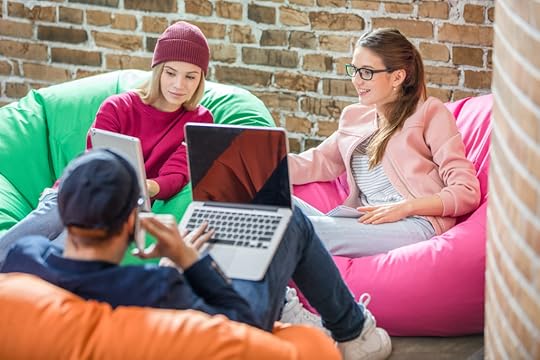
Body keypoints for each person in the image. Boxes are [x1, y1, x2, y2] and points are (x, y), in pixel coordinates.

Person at [1, 149, 392, 360]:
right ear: (130, 223)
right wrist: (187, 259)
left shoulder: (22, 257)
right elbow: (238, 325)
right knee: (290, 221)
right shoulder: (153, 287)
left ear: (63, 213)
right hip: (227, 324)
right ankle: (355, 333)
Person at [0, 21, 213, 262]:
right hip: (80, 189)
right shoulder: (119, 106)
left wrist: (146, 186)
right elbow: (93, 161)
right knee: (54, 214)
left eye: (190, 77)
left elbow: (177, 174)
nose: (179, 85)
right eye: (171, 73)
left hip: (119, 210)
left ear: (201, 79)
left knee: (63, 252)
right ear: (158, 70)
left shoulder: (201, 120)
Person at [289, 28, 480, 257]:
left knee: (295, 231)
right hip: (365, 221)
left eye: (367, 72)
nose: (356, 80)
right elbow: (315, 162)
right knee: (273, 206)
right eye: (354, 70)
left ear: (397, 77)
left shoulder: (430, 113)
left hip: (415, 223)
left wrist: (405, 207)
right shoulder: (354, 117)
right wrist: (258, 165)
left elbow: (466, 191)